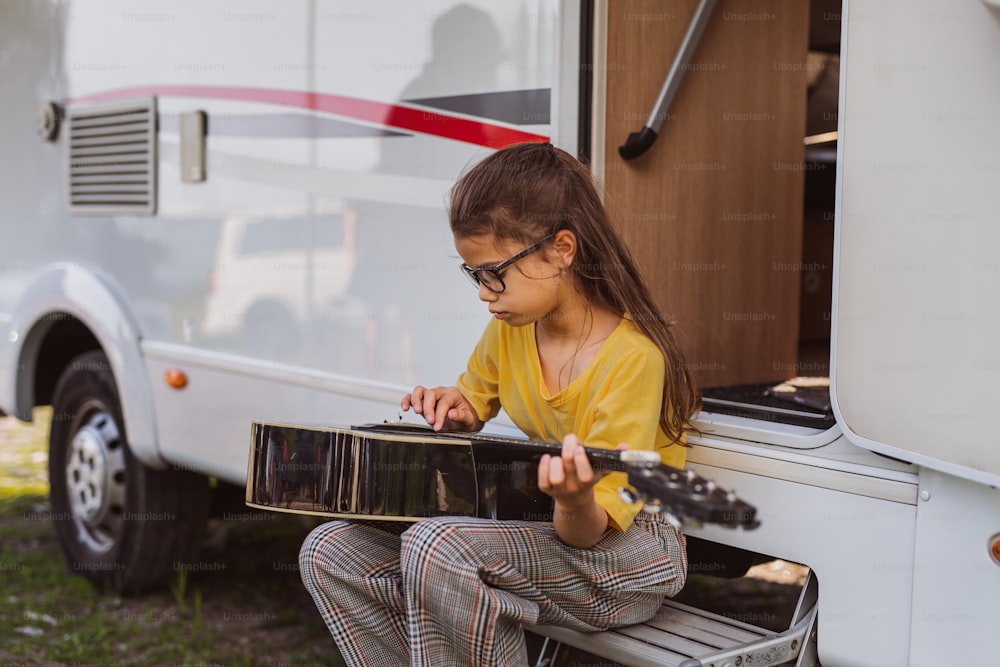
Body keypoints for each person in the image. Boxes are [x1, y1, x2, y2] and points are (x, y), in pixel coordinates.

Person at [298, 141, 701, 666]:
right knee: (329, 551)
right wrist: (455, 409)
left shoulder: (633, 360)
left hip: (629, 553)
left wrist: (576, 499)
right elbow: (473, 399)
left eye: (494, 272)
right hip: (543, 528)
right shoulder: (512, 330)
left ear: (561, 249)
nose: (484, 294)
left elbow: (587, 530)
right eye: (474, 275)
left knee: (438, 546)